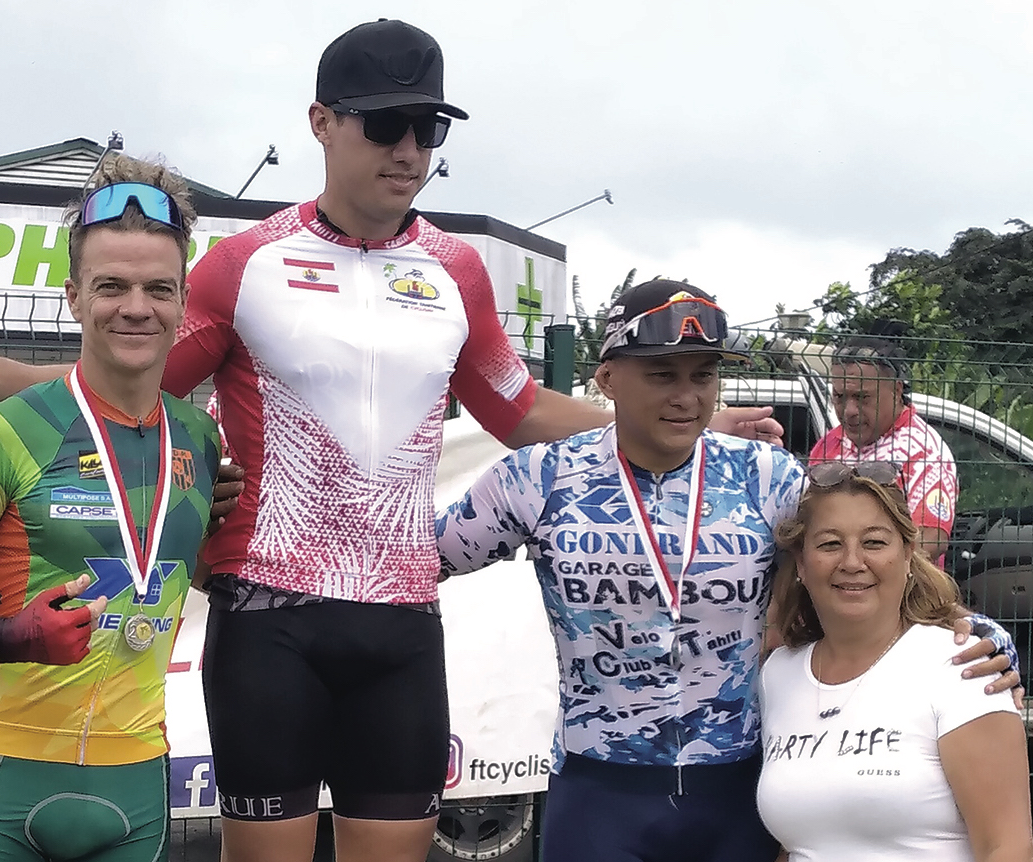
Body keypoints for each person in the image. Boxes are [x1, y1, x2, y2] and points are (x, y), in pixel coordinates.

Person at [0, 22, 786, 862]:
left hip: (400, 622)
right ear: (321, 122)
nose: (409, 152)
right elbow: (123, 382)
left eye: (429, 130)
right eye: (387, 125)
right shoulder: (246, 263)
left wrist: (671, 417)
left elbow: (516, 410)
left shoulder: (457, 269)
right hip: (268, 619)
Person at [435, 279, 1019, 862]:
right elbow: (412, 564)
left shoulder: (764, 474)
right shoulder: (538, 478)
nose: (686, 397)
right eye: (663, 374)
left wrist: (970, 630)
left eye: (703, 376)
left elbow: (866, 561)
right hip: (598, 791)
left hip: (735, 789)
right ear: (608, 377)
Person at [0, 156, 221, 862]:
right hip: (4, 783)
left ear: (184, 303)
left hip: (139, 789)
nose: (136, 306)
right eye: (111, 286)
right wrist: (8, 636)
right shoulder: (4, 432)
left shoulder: (200, 442)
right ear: (72, 296)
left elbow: (200, 570)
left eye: (159, 287)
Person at [758, 462, 1033, 861]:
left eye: (873, 542)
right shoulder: (779, 674)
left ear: (908, 555)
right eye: (830, 544)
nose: (852, 562)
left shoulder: (963, 668)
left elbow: (1007, 847)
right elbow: (802, 839)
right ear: (801, 563)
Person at [810, 335, 958, 563]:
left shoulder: (922, 451)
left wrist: (868, 570)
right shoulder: (830, 443)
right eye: (839, 397)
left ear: (896, 391)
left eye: (862, 397)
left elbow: (931, 537)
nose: (849, 410)